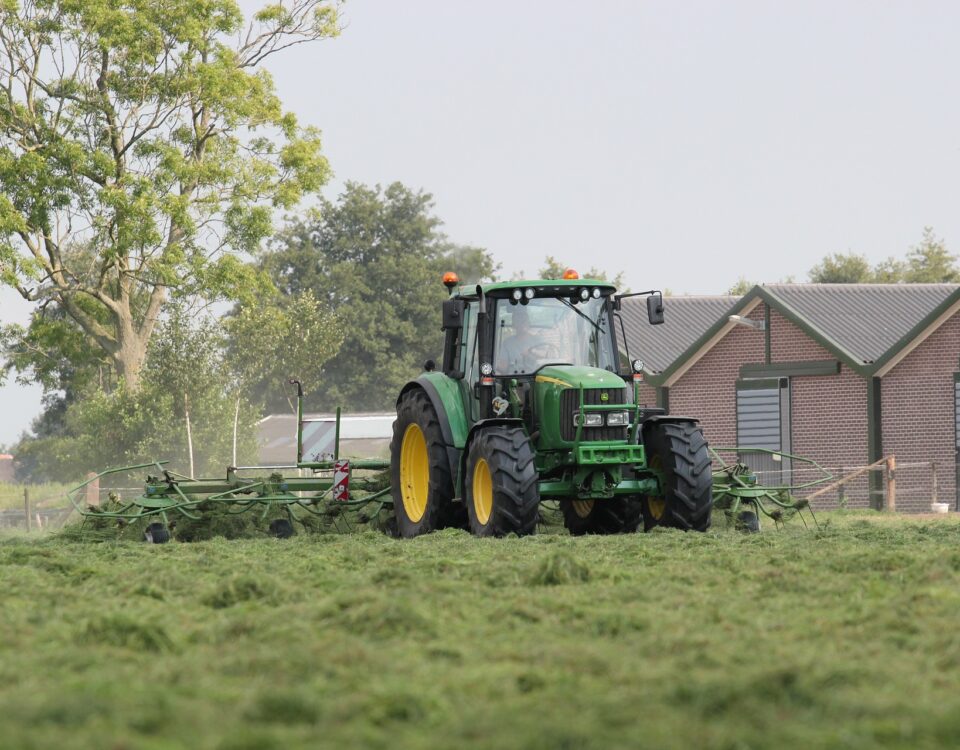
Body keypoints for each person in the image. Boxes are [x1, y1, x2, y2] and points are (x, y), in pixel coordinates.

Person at [498, 306, 542, 372]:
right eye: (518, 320)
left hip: (536, 377)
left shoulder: (538, 340)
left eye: (524, 320)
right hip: (513, 379)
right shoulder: (507, 343)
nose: (522, 323)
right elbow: (503, 366)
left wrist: (533, 352)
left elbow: (549, 356)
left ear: (529, 323)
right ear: (513, 325)